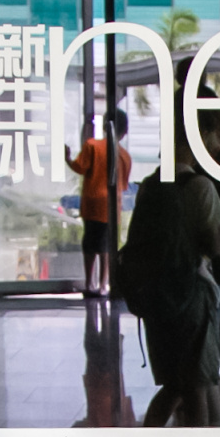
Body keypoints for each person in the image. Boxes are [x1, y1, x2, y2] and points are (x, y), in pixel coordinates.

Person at [116, 73, 220, 437]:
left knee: (176, 384)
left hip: (158, 299)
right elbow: (214, 243)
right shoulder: (200, 187)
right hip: (192, 295)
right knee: (198, 384)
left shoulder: (151, 184)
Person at [66, 108, 132, 297]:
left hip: (92, 203)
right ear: (124, 132)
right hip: (112, 206)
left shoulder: (92, 146)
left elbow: (79, 167)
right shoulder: (124, 156)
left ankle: (90, 283)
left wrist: (67, 158)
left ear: (104, 126)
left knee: (90, 244)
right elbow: (123, 184)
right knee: (107, 247)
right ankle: (104, 284)